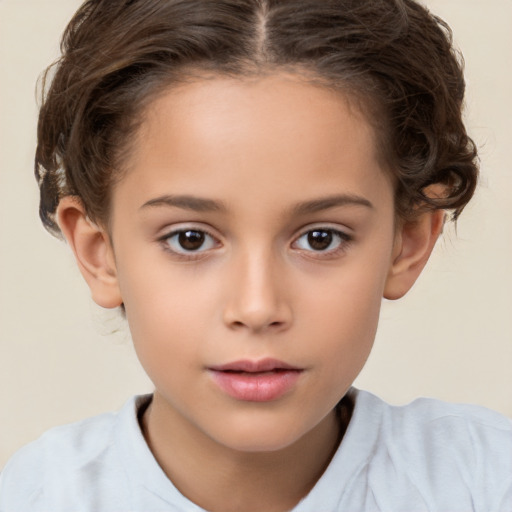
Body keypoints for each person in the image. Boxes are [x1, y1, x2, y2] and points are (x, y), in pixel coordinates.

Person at [0, 0, 510, 510]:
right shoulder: (37, 497)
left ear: (408, 241)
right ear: (99, 253)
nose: (257, 307)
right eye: (190, 239)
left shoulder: (484, 481)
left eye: (321, 238)